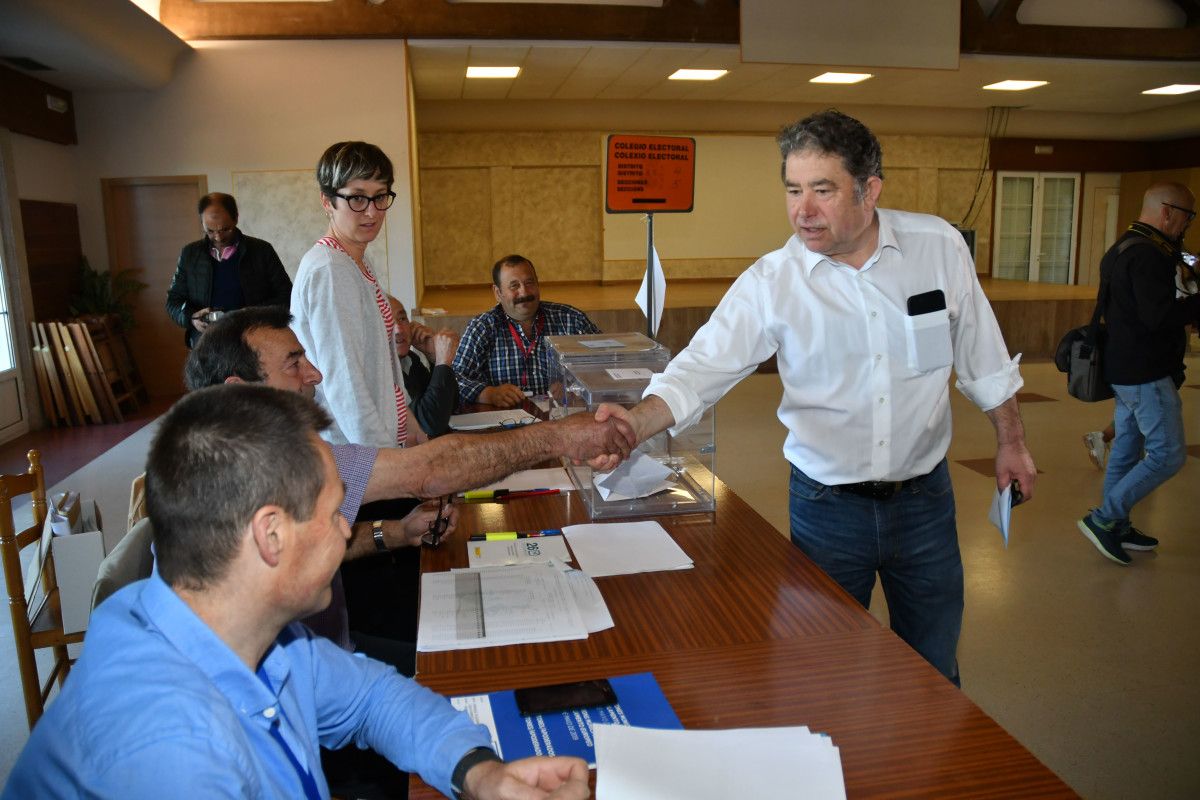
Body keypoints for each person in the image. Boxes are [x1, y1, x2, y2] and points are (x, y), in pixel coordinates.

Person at [591, 110, 1036, 685]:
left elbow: (984, 357)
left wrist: (1013, 443)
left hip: (925, 504)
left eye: (822, 191)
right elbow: (700, 369)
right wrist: (633, 423)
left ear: (869, 190)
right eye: (794, 190)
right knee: (819, 669)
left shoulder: (938, 248)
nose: (803, 210)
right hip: (827, 511)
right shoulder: (774, 281)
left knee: (932, 665)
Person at [2, 385, 589, 800]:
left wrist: (479, 772)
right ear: (271, 535)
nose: (346, 530)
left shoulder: (243, 630)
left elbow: (372, 700)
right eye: (336, 512)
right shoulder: (171, 754)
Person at [184, 306, 636, 659]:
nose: (315, 375)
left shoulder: (224, 455)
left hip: (324, 659)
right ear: (241, 389)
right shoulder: (261, 469)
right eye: (294, 364)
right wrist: (560, 435)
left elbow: (304, 546)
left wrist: (397, 532)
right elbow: (428, 472)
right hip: (313, 679)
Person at [1077, 182, 1199, 565]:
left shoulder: (1124, 246)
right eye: (1187, 217)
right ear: (1168, 213)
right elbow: (1158, 316)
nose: (1186, 226)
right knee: (1168, 454)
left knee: (1128, 448)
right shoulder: (1150, 255)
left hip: (1124, 366)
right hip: (1145, 371)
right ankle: (1105, 518)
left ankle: (1118, 525)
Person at [291, 141, 415, 448]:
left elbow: (381, 361)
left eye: (380, 196)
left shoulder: (356, 258)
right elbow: (344, 380)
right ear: (327, 201)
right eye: (357, 198)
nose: (372, 212)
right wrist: (388, 462)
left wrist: (410, 425)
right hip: (356, 448)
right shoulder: (331, 269)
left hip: (382, 436)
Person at [453, 255, 600, 408]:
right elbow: (455, 378)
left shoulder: (571, 320)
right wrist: (488, 394)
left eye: (529, 283)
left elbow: (606, 362)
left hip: (562, 416)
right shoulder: (482, 328)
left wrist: (576, 387)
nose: (524, 292)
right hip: (505, 423)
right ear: (498, 293)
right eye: (514, 286)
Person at [165, 192, 292, 348]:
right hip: (207, 344)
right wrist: (191, 318)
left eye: (225, 229)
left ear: (236, 218)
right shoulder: (190, 254)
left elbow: (287, 296)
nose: (218, 237)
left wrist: (252, 314)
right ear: (202, 223)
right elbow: (173, 301)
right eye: (210, 231)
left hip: (255, 341)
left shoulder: (261, 250)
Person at [389, 295, 459, 437]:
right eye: (387, 322)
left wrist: (433, 357)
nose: (398, 330)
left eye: (402, 319)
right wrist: (442, 362)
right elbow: (429, 424)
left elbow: (450, 405)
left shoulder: (409, 359)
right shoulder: (379, 371)